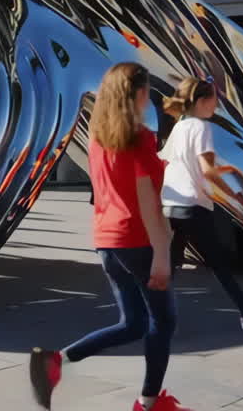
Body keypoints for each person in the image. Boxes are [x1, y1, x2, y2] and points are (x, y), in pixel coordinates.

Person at [29, 63, 189, 411]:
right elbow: (147, 203)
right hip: (138, 240)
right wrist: (163, 251)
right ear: (141, 94)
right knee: (164, 321)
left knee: (133, 324)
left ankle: (55, 361)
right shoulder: (139, 138)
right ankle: (149, 403)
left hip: (108, 242)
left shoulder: (99, 137)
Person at [158, 77, 243, 329]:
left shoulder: (180, 126)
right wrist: (236, 195)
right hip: (192, 202)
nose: (217, 105)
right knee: (217, 262)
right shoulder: (201, 128)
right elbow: (208, 171)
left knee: (172, 263)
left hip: (171, 201)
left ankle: (152, 314)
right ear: (201, 101)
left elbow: (165, 159)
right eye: (214, 99)